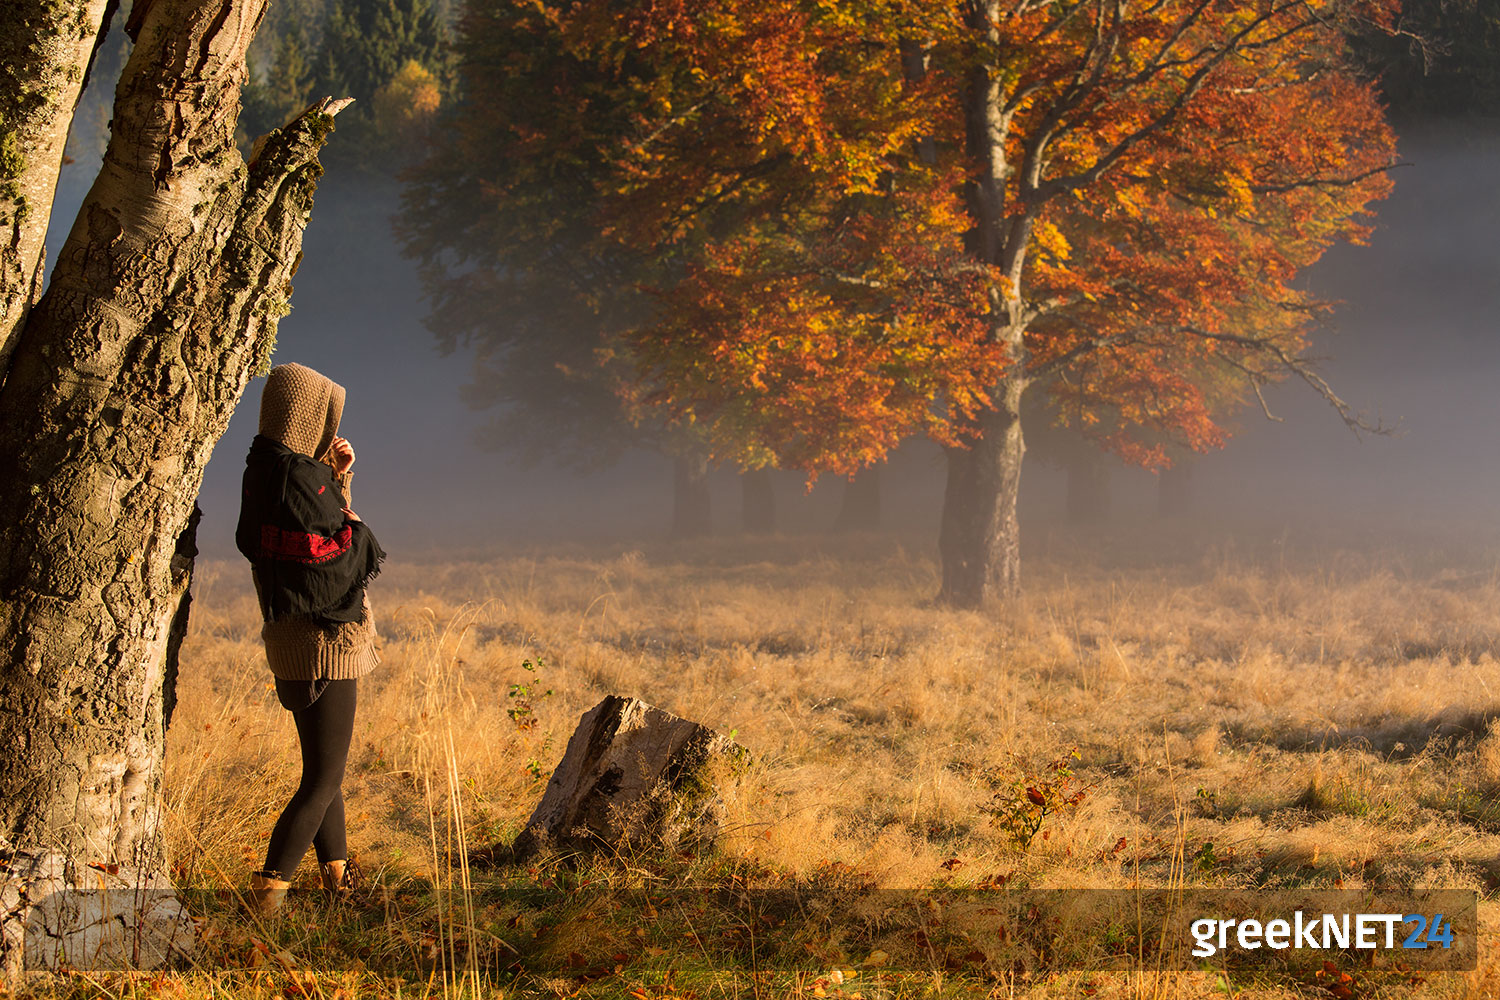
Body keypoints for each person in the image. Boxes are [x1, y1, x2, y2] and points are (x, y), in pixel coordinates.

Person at [235, 363, 385, 915]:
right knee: (323, 778)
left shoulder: (264, 469)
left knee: (326, 768)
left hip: (291, 639)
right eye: (323, 415)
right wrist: (359, 521)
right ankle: (268, 897)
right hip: (325, 643)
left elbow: (310, 536)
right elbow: (337, 548)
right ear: (306, 414)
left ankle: (338, 885)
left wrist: (336, 476)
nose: (329, 427)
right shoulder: (299, 476)